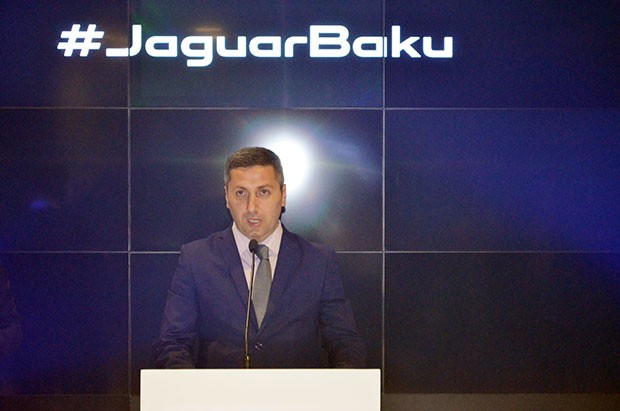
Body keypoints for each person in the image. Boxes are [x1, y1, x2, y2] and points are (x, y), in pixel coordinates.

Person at [154, 147, 366, 368]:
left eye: (263, 192)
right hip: (221, 391)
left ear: (282, 195)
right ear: (227, 197)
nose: (251, 207)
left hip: (296, 390)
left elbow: (345, 341)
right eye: (241, 193)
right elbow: (173, 342)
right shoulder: (196, 259)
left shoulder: (318, 261)